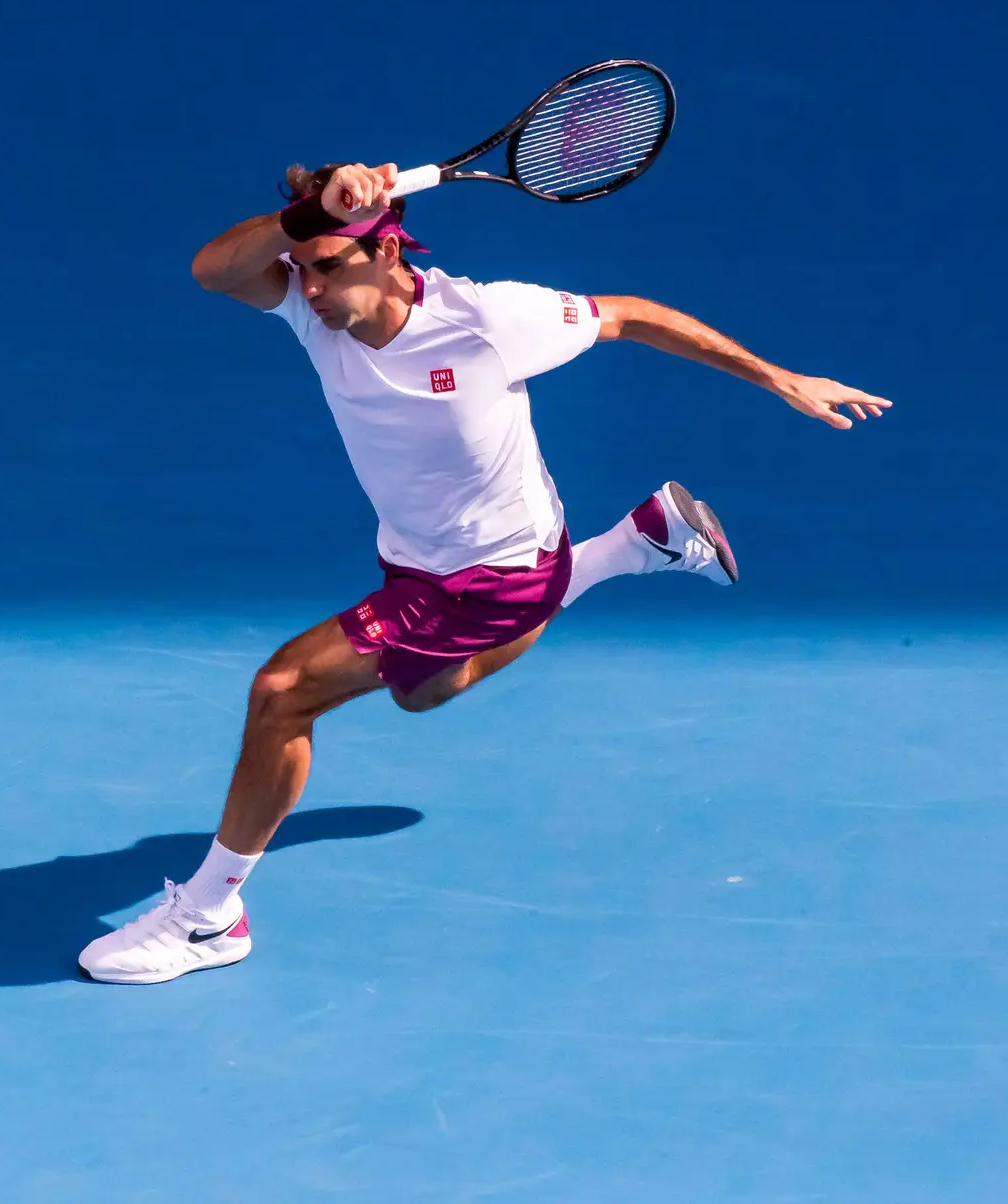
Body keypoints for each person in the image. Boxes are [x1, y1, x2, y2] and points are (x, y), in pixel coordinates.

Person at [78, 161, 892, 985]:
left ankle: (209, 918)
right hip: (414, 561)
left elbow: (633, 317)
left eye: (329, 267)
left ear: (389, 253)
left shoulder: (490, 319)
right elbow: (213, 271)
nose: (309, 288)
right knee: (423, 693)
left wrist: (779, 378)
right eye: (302, 267)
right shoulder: (311, 308)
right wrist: (306, 222)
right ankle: (638, 541)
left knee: (283, 691)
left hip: (493, 575)